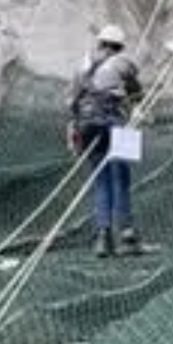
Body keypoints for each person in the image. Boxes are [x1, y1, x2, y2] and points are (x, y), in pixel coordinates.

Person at [68, 24, 143, 257]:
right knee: (121, 177)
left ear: (100, 43)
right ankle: (127, 232)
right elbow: (137, 92)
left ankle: (103, 237)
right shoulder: (123, 62)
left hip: (87, 125)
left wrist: (74, 131)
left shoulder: (83, 65)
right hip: (115, 121)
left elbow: (71, 101)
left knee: (101, 181)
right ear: (119, 47)